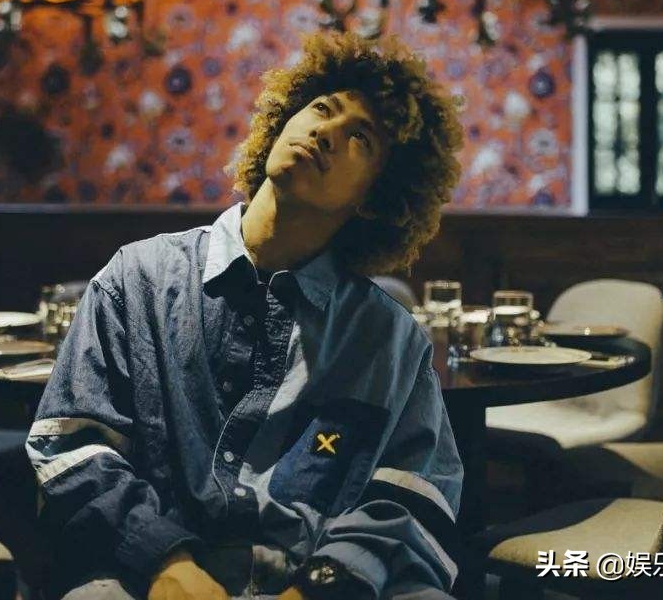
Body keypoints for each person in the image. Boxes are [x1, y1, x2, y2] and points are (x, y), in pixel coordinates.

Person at [27, 31, 466, 600]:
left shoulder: (389, 337)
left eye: (359, 137)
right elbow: (73, 446)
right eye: (322, 109)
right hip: (149, 573)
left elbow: (412, 493)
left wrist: (320, 589)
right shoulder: (137, 278)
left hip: (314, 576)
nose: (326, 132)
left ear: (375, 197)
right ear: (282, 122)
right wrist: (166, 561)